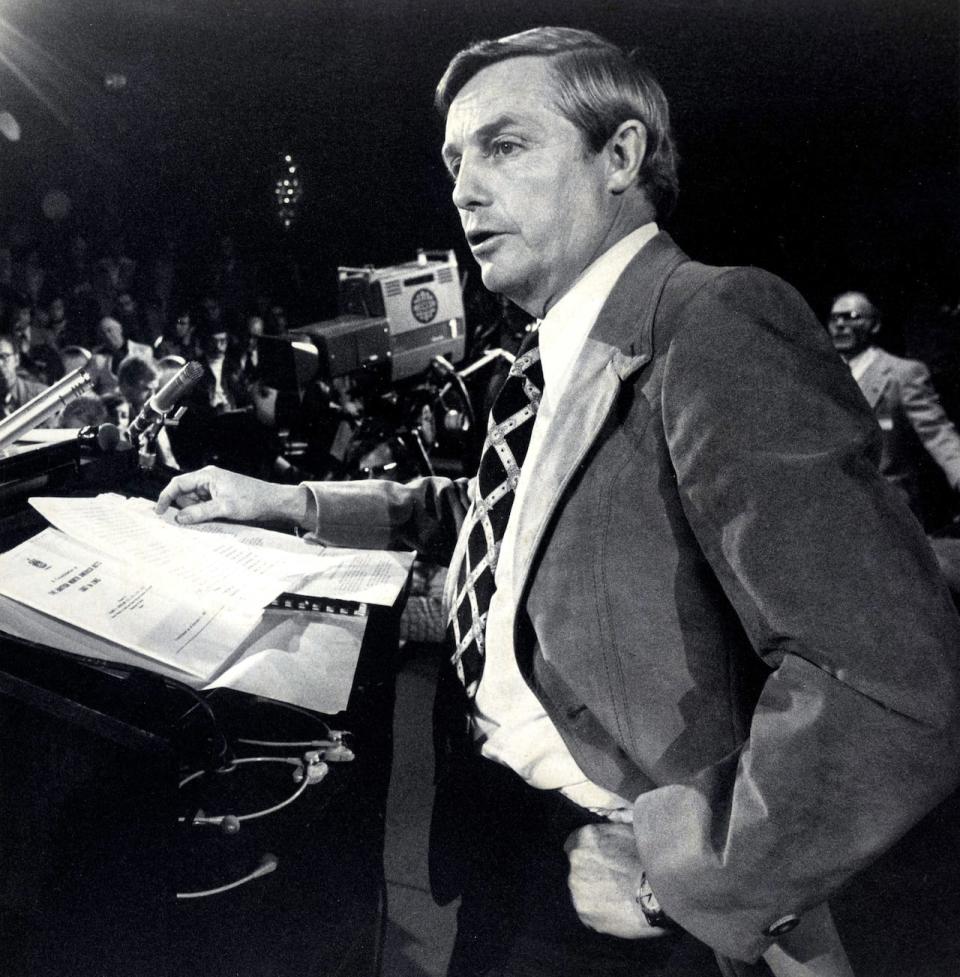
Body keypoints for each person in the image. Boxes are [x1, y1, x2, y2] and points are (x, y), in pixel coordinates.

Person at [157, 27, 960, 977]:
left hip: (631, 898)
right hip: (511, 843)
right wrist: (288, 501)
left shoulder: (715, 322)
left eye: (504, 146)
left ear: (620, 156)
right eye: (456, 160)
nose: (462, 190)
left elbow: (886, 675)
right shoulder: (548, 351)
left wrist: (685, 880)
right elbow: (495, 516)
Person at [827, 290, 960, 521]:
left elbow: (937, 432)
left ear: (874, 325)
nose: (840, 324)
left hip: (887, 512)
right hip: (828, 509)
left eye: (851, 316)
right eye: (834, 318)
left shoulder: (902, 374)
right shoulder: (818, 375)